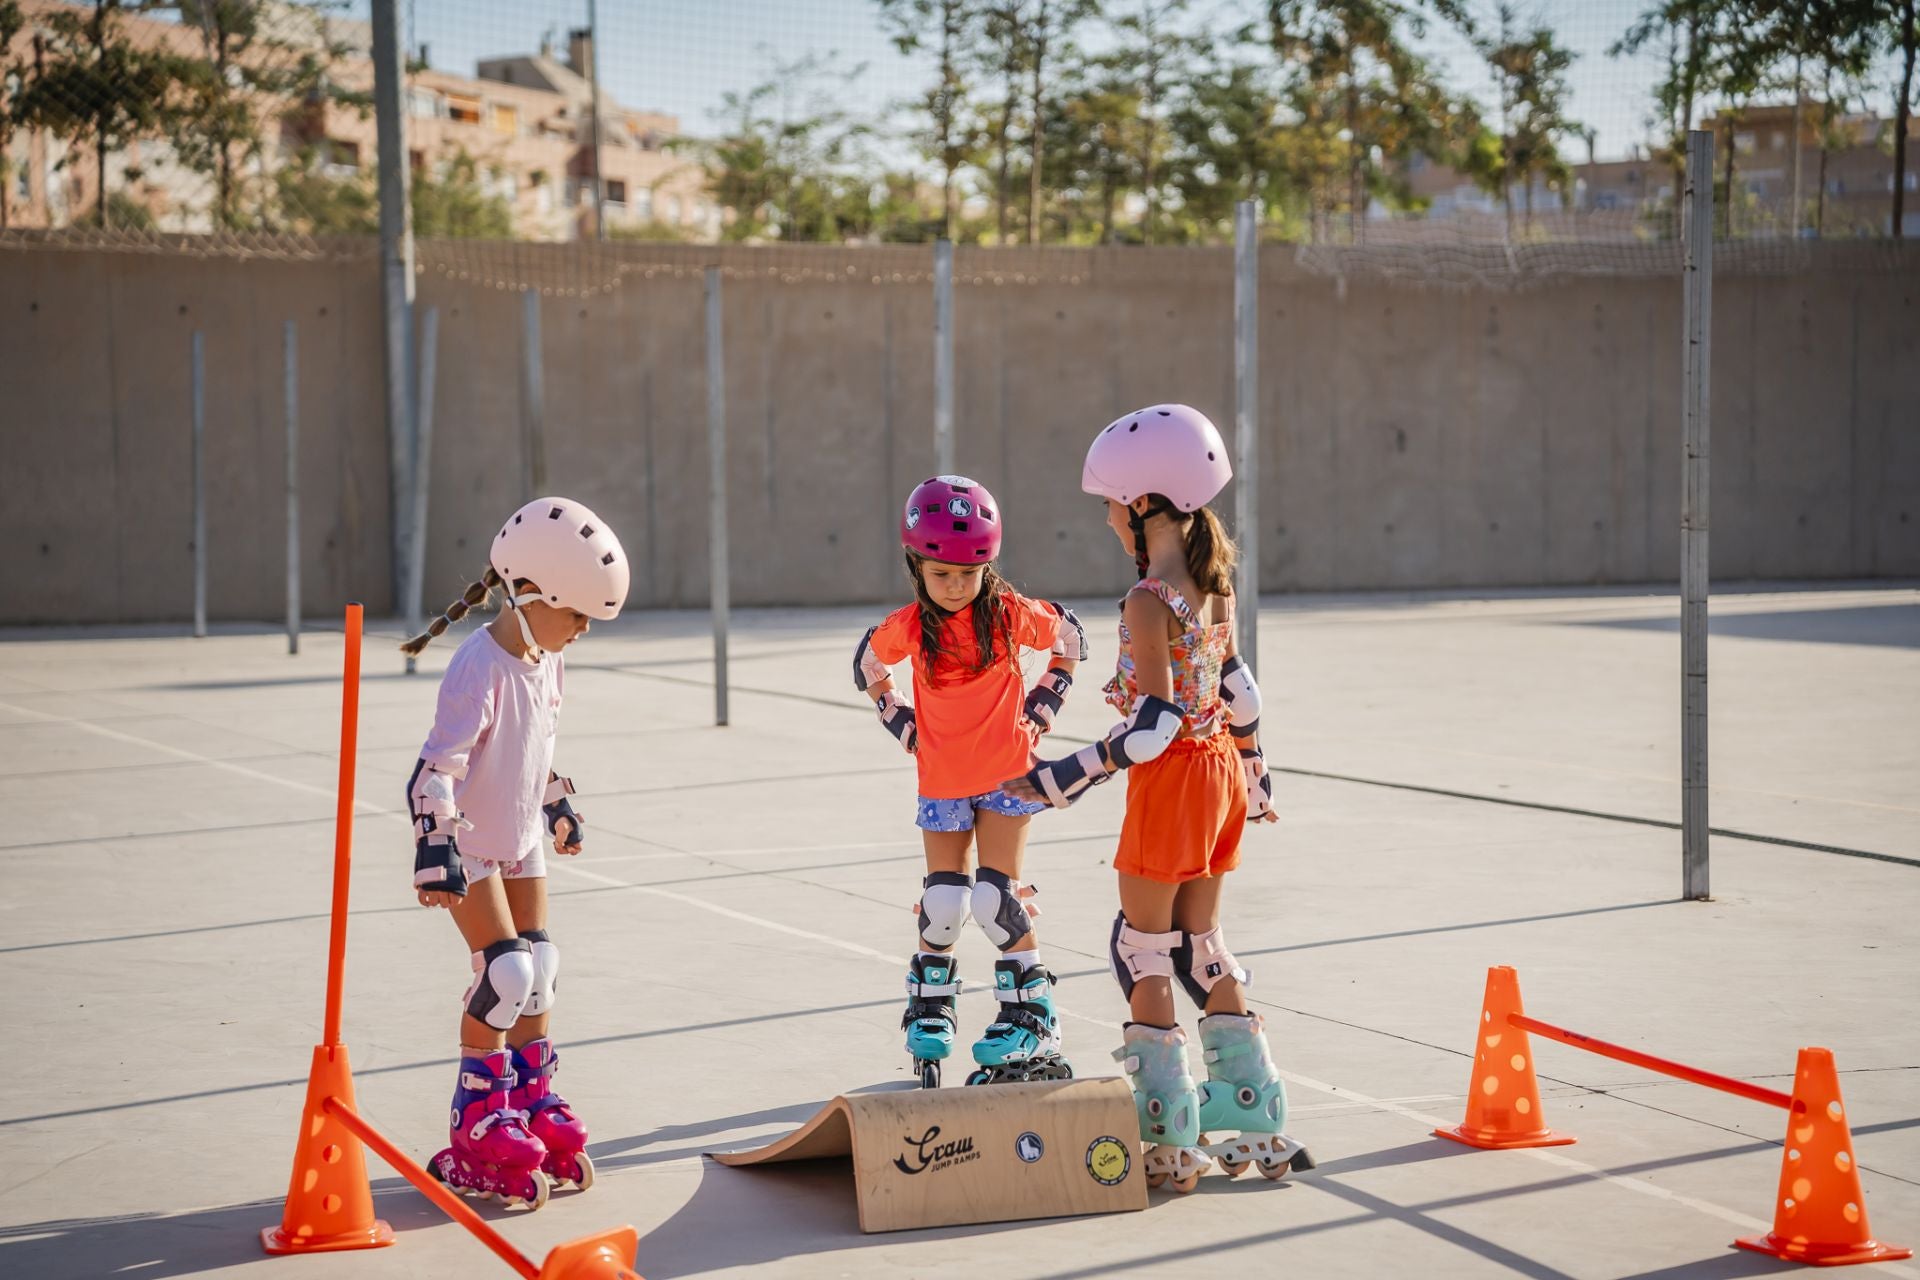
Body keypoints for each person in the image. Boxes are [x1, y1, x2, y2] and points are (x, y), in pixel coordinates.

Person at [1005, 406, 1310, 1190]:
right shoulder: (1215, 585)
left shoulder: (1148, 600)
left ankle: (1169, 1134)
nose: (1106, 517)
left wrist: (1052, 780)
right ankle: (1254, 1116)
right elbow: (1239, 693)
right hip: (1215, 780)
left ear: (1144, 505)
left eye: (1111, 503)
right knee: (1201, 946)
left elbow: (1152, 724)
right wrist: (1253, 773)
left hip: (1173, 778)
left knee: (1142, 949)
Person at [398, 495, 629, 1208]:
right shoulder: (478, 666)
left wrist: (556, 802)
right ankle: (476, 1121)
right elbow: (436, 769)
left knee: (542, 972)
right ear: (531, 593)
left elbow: (536, 749)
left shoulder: (546, 658)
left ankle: (531, 1099)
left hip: (523, 835)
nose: (584, 630)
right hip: (471, 841)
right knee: (504, 973)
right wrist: (435, 847)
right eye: (578, 614)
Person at [854, 475, 1086, 1087]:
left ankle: (1034, 1015)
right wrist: (900, 720)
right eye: (941, 574)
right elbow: (869, 663)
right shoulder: (910, 626)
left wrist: (1043, 707)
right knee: (944, 905)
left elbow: (1070, 637)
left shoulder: (1010, 614)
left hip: (1010, 777)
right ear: (916, 565)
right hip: (942, 783)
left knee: (995, 900)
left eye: (968, 572)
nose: (956, 586)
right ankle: (931, 1007)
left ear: (988, 565)